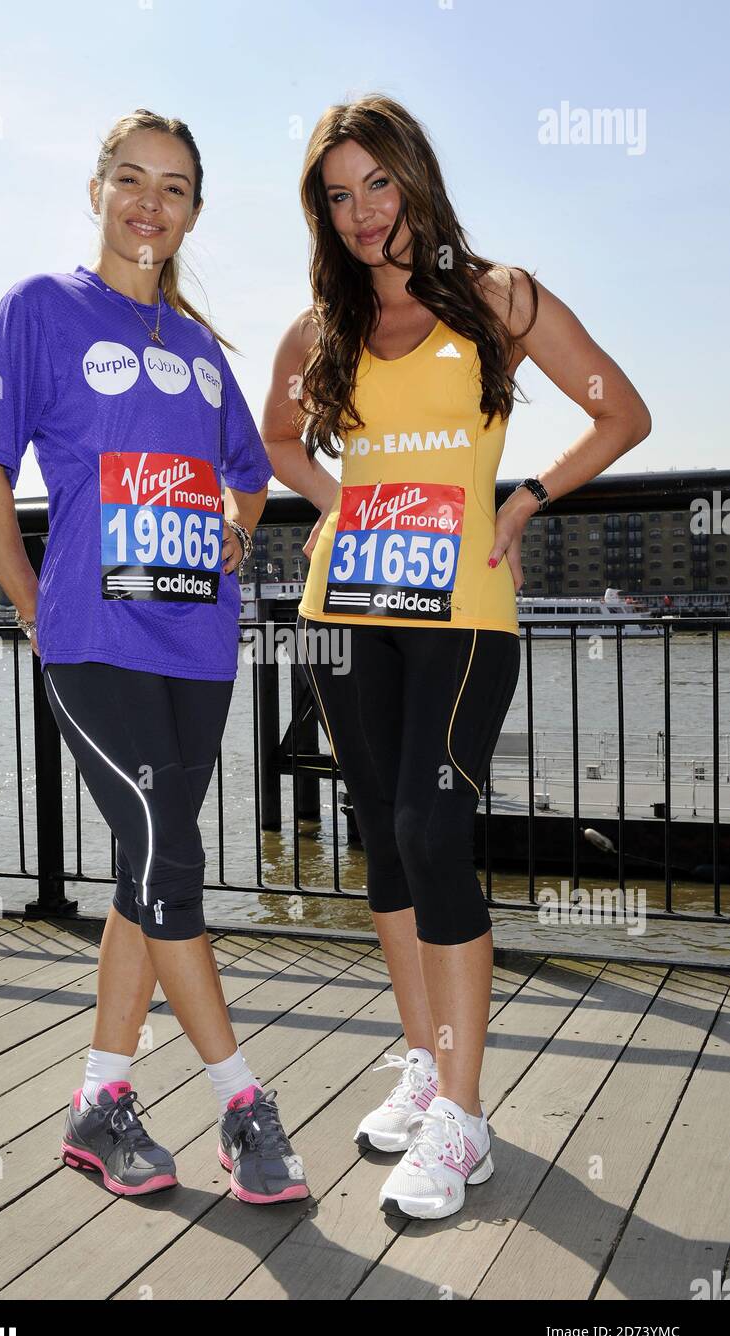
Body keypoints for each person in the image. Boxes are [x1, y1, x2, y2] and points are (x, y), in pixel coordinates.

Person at [261, 94, 651, 1221]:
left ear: (415, 179)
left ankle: (467, 1121)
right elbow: (279, 438)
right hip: (346, 604)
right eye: (336, 196)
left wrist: (522, 500)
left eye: (376, 184)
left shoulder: (497, 297)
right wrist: (342, 503)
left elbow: (615, 410)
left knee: (436, 826)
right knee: (381, 828)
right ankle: (428, 1064)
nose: (360, 213)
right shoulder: (316, 332)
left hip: (465, 608)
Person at [0, 109, 308, 1206]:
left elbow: (249, 470)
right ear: (97, 190)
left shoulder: (200, 348)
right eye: (132, 180)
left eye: (177, 188)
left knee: (144, 871)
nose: (152, 204)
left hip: (197, 646)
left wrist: (237, 530)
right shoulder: (40, 310)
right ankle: (244, 1102)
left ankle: (101, 1102)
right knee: (169, 858)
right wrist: (30, 601)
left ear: (195, 211)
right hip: (94, 640)